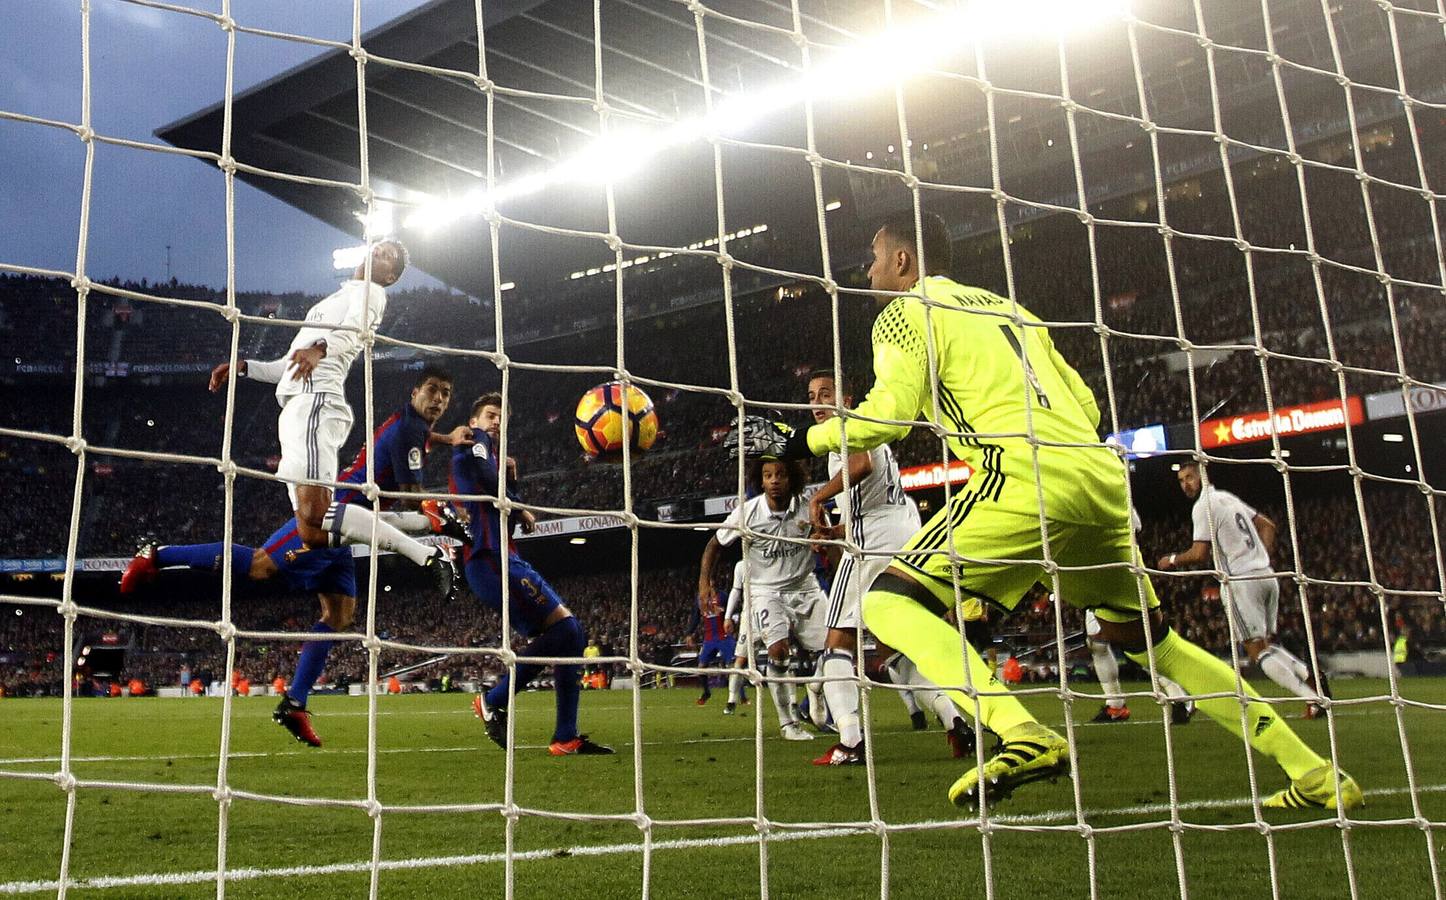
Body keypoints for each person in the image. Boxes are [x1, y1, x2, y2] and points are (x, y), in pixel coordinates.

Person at [732, 210, 1360, 811]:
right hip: (1100, 481)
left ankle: (1021, 731)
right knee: (1157, 645)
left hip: (1021, 479)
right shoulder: (1014, 310)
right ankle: (1313, 770)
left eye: (872, 259)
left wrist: (800, 442)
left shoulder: (903, 313)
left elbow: (890, 413)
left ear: (903, 260)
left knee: (886, 603)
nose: (867, 272)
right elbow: (1084, 401)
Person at [206, 240, 457, 596]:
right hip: (294, 407)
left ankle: (426, 556)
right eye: (377, 247)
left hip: (316, 401)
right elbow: (287, 366)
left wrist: (320, 348)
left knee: (318, 511)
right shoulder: (328, 303)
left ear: (390, 275)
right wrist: (245, 368)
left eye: (387, 255)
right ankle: (426, 522)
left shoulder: (372, 292)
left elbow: (355, 330)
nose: (376, 253)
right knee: (312, 530)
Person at [455, 393, 612, 756]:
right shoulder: (474, 442)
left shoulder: (493, 458)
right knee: (568, 630)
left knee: (570, 639)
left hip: (501, 559)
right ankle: (493, 699)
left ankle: (565, 737)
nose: (496, 423)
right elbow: (484, 478)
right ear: (475, 421)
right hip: (490, 559)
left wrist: (513, 484)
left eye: (501, 418)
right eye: (490, 416)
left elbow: (501, 501)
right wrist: (514, 497)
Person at [119, 520, 359, 747]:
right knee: (259, 565)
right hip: (333, 515)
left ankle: (294, 704)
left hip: (349, 534)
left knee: (339, 617)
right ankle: (156, 555)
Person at [804, 369, 925, 766]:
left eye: (825, 394)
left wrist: (819, 497)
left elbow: (861, 465)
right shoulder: (865, 426)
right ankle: (957, 721)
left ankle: (851, 742)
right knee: (898, 644)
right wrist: (837, 529)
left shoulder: (848, 428)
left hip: (874, 538)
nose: (817, 402)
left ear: (847, 400)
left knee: (836, 644)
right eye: (811, 395)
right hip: (903, 529)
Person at [1159, 463, 1330, 716]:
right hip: (1267, 575)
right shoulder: (1228, 498)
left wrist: (1171, 560)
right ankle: (1310, 676)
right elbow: (1268, 526)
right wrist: (1261, 559)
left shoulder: (1203, 507)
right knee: (1267, 643)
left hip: (1241, 581)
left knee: (1256, 651)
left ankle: (1313, 699)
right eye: (1182, 480)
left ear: (1202, 477)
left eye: (1190, 478)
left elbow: (1199, 553)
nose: (1186, 484)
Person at [698, 458, 826, 741]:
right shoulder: (748, 513)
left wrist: (826, 546)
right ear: (761, 480)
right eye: (768, 475)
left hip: (806, 588)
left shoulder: (810, 506)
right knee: (778, 651)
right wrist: (704, 582)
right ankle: (787, 724)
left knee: (835, 650)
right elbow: (714, 544)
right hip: (766, 592)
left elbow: (829, 541)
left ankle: (816, 688)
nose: (775, 480)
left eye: (780, 474)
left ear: (791, 477)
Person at [693, 589, 736, 706]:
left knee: (733, 667)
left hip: (724, 637)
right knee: (701, 668)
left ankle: (739, 697)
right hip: (709, 639)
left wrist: (733, 624)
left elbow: (734, 610)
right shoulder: (700, 598)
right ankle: (706, 692)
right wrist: (689, 632)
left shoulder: (723, 596)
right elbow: (695, 616)